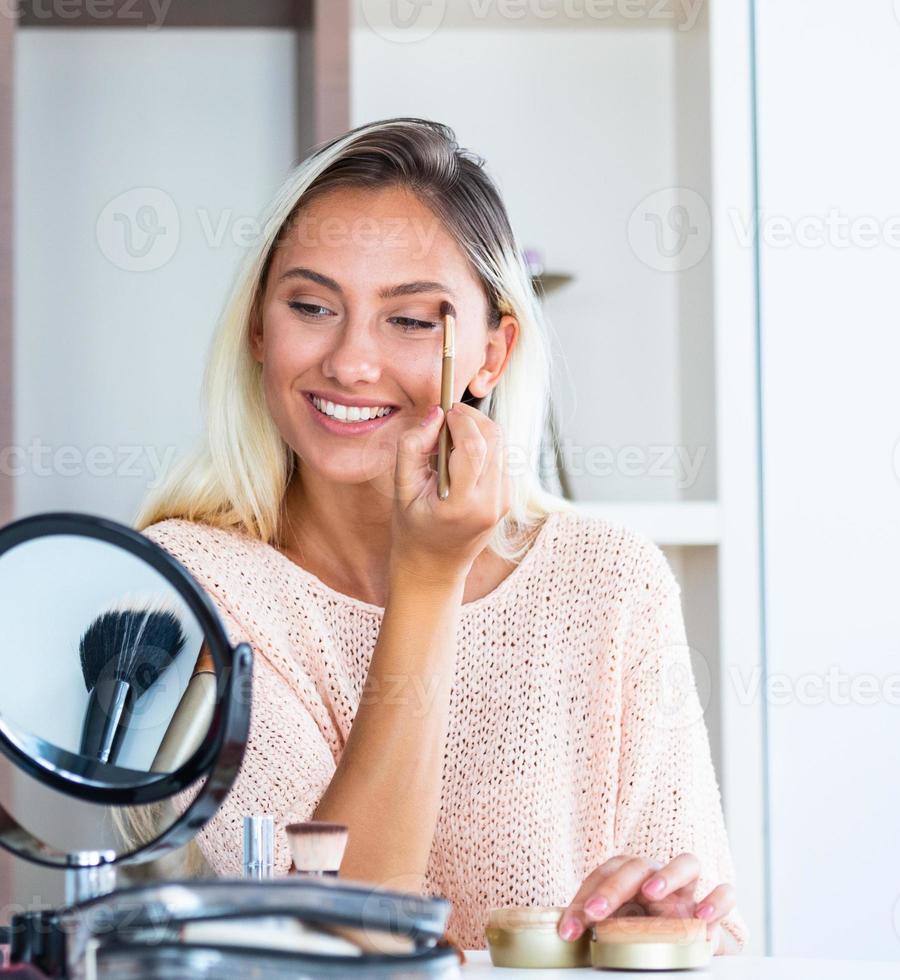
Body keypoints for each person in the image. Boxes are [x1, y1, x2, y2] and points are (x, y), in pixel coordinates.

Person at [130, 117, 743, 952]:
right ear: (259, 331)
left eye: (412, 321)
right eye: (311, 307)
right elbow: (339, 944)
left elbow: (718, 937)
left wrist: (660, 931)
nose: (350, 363)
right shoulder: (191, 585)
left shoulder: (612, 581)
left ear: (493, 354)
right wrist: (426, 582)